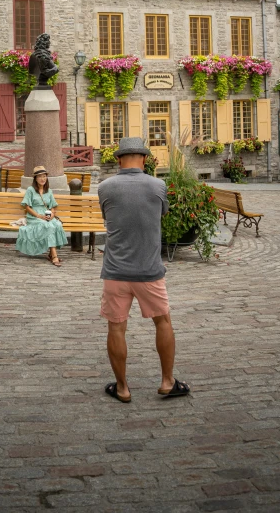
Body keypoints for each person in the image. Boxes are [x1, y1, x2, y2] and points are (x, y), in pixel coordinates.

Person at [98, 137, 190, 403]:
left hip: (115, 271)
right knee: (163, 321)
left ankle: (123, 387)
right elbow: (159, 214)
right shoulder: (158, 185)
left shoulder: (105, 187)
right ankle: (167, 381)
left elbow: (108, 217)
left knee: (116, 328)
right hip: (150, 270)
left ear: (117, 159)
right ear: (145, 159)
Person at [15, 166, 67, 266]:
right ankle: (54, 256)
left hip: (46, 216)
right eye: (40, 177)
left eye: (44, 176)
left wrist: (52, 214)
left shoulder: (49, 191)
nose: (43, 179)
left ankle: (51, 254)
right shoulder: (30, 190)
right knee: (48, 226)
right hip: (34, 217)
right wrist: (39, 216)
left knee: (57, 225)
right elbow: (27, 207)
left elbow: (52, 206)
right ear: (35, 178)